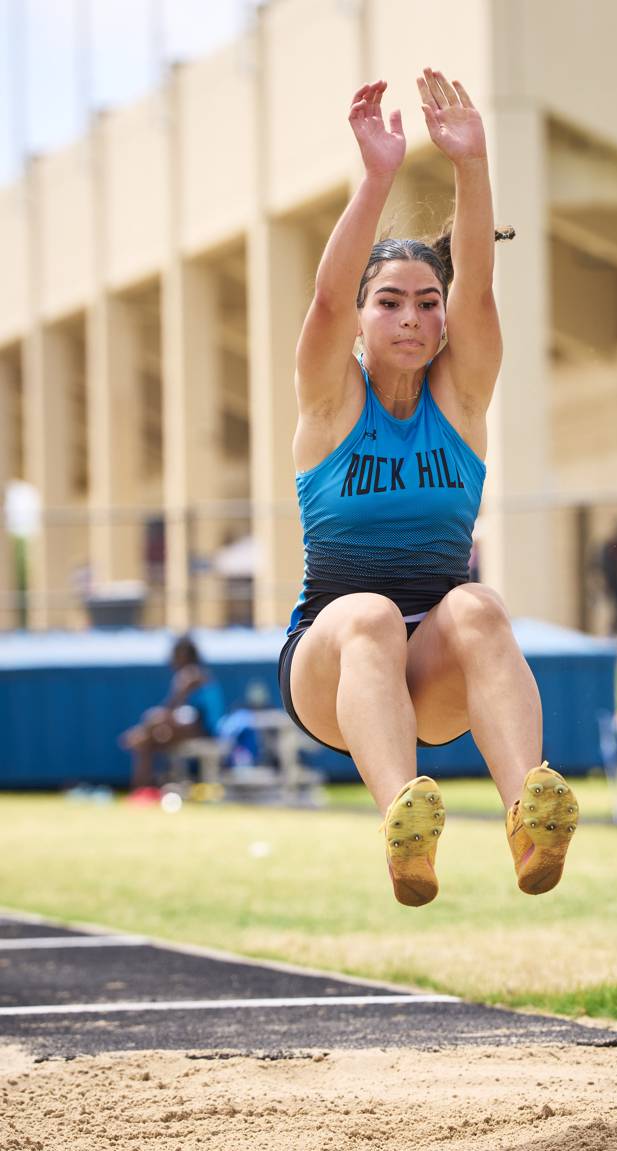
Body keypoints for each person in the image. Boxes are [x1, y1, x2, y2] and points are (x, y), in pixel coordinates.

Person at [277, 71, 579, 907]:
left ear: (443, 319)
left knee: (480, 606)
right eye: (389, 303)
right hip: (333, 663)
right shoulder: (333, 402)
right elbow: (327, 296)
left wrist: (472, 166)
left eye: (425, 302)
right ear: (364, 321)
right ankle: (405, 827)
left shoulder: (463, 400)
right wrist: (377, 174)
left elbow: (478, 287)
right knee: (370, 613)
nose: (410, 316)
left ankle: (530, 815)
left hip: (434, 669)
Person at [120, 635, 225, 798]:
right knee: (147, 742)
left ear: (184, 655)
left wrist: (149, 725)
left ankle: (140, 790)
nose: (173, 659)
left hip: (205, 730)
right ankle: (144, 791)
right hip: (192, 727)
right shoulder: (194, 674)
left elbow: (172, 707)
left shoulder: (191, 674)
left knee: (153, 723)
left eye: (176, 654)